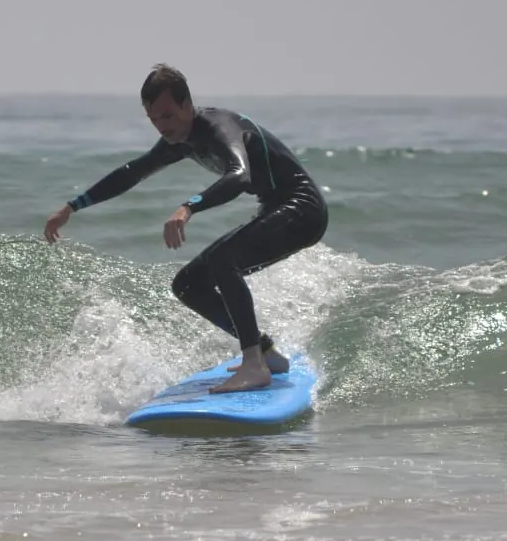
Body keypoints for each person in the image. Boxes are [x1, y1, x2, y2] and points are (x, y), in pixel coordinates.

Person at [43, 64, 327, 393]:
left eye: (168, 116)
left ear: (187, 105)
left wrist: (188, 207)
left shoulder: (218, 128)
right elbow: (133, 172)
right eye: (154, 120)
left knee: (223, 261)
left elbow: (239, 175)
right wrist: (72, 206)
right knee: (189, 284)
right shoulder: (179, 138)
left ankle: (253, 365)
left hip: (303, 209)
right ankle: (264, 353)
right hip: (276, 209)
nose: (163, 128)